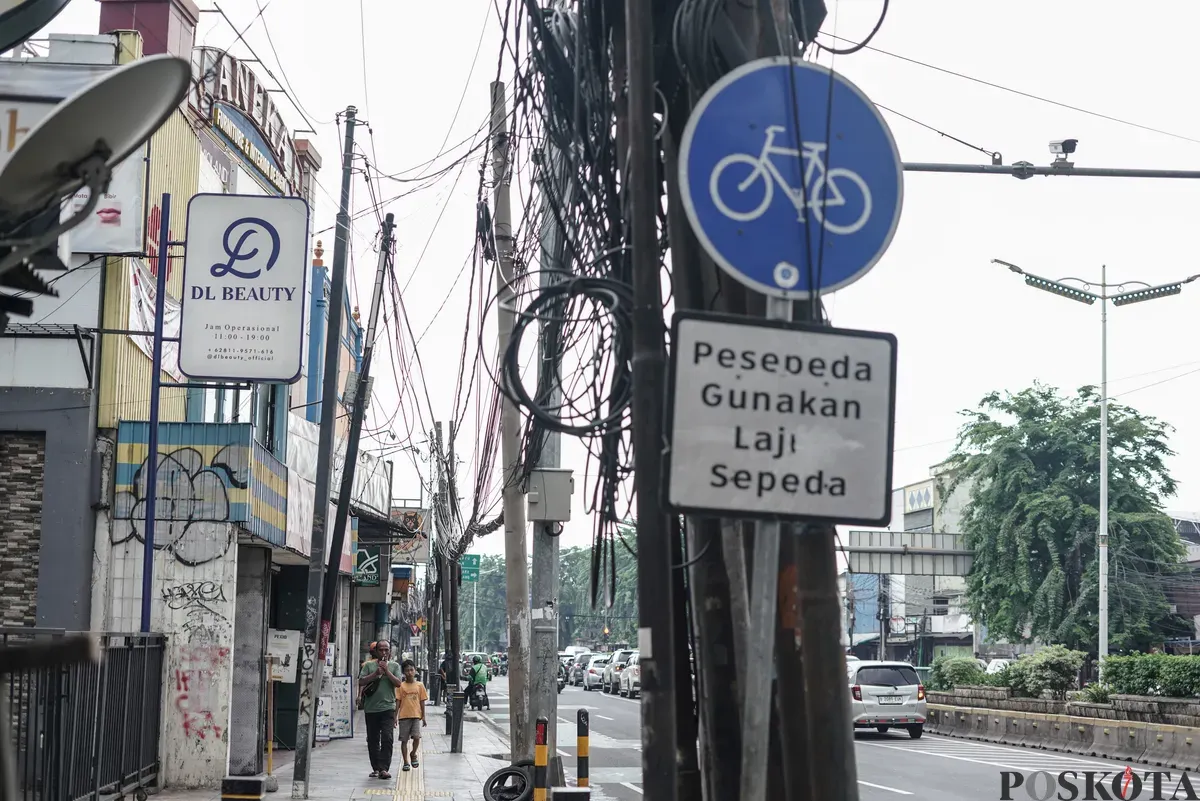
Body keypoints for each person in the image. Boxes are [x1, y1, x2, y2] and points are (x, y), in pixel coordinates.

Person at [359, 641, 402, 779]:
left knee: (387, 738)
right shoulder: (369, 665)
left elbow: (398, 683)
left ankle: (384, 768)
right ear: (376, 651)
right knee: (372, 739)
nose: (384, 652)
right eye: (381, 650)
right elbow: (361, 681)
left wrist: (386, 671)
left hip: (388, 707)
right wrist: (376, 673)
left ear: (390, 651)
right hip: (371, 708)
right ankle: (376, 768)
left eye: (386, 650)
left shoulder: (395, 666)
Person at [394, 660, 428, 772]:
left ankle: (413, 753)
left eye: (411, 670)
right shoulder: (401, 686)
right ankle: (406, 762)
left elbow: (422, 701)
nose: (409, 672)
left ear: (415, 671)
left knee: (417, 737)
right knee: (404, 740)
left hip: (416, 716)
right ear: (404, 672)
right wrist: (395, 717)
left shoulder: (420, 685)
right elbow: (398, 702)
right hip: (404, 716)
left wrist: (423, 717)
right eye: (407, 670)